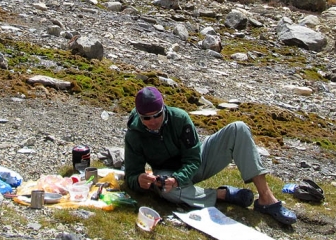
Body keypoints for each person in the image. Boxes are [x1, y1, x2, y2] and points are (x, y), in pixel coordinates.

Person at [124, 86, 297, 225]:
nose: (153, 121)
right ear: (139, 116)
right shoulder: (134, 135)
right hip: (167, 176)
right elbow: (131, 174)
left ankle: (266, 199)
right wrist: (139, 181)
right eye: (147, 118)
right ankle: (221, 194)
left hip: (196, 163)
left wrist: (179, 178)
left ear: (164, 109)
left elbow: (193, 159)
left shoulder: (180, 119)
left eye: (157, 115)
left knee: (239, 128)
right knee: (165, 190)